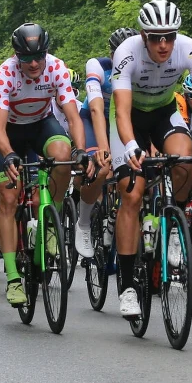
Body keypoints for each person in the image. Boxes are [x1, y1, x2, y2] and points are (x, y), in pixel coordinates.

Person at [110, 0, 192, 318]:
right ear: (143, 35)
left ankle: (170, 221)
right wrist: (132, 145)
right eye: (155, 37)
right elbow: (121, 111)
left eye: (169, 36)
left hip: (164, 113)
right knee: (131, 194)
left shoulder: (190, 49)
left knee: (184, 161)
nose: (163, 44)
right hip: (130, 118)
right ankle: (128, 288)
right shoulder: (127, 53)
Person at [0, 24, 90, 307]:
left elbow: (72, 117)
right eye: (26, 58)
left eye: (39, 56)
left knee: (62, 153)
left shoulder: (56, 67)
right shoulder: (6, 73)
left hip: (39, 126)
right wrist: (9, 154)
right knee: (9, 197)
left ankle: (50, 223)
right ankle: (12, 278)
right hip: (10, 132)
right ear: (16, 55)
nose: (34, 64)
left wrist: (81, 150)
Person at [72, 28, 134, 258]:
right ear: (111, 52)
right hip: (93, 119)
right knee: (100, 169)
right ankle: (84, 223)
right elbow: (97, 108)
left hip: (121, 122)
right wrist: (103, 149)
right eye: (119, 52)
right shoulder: (99, 66)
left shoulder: (141, 69)